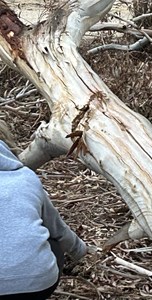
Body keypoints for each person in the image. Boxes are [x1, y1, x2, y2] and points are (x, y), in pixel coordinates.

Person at [0, 121, 88, 299]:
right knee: (52, 243)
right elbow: (58, 229)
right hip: (36, 284)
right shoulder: (25, 177)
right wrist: (81, 251)